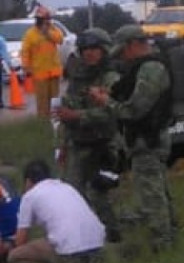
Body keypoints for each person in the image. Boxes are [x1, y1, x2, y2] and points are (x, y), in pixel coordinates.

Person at [89, 24, 177, 251]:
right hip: (146, 138)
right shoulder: (143, 68)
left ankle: (162, 241)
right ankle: (170, 230)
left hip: (148, 139)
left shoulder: (151, 69)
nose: (122, 58)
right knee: (157, 188)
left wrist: (105, 103)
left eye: (123, 52)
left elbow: (135, 110)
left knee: (152, 193)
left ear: (133, 45)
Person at [54, 28, 123, 242]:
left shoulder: (112, 78)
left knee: (97, 192)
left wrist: (77, 115)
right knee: (72, 193)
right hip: (78, 143)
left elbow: (112, 112)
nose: (89, 54)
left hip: (104, 144)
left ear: (104, 50)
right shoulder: (78, 78)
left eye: (94, 49)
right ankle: (83, 235)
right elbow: (65, 112)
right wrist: (63, 145)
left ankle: (112, 234)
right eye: (85, 49)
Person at [8, 160, 106, 263]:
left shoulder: (30, 195)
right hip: (98, 246)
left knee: (14, 257)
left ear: (28, 181)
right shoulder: (66, 186)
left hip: (70, 252)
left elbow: (20, 240)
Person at [20, 6, 65, 119]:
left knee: (55, 100)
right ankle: (43, 122)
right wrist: (26, 68)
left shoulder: (53, 30)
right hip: (39, 73)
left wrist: (48, 33)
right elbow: (25, 51)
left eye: (47, 19)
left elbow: (60, 39)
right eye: (43, 19)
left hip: (54, 72)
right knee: (42, 101)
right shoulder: (30, 34)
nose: (46, 21)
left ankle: (55, 121)